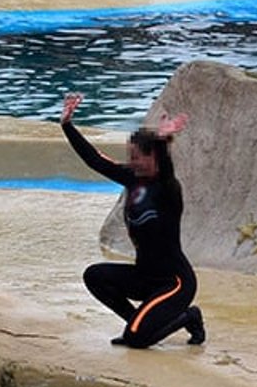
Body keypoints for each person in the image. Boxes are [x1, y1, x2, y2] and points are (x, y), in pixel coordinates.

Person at [60, 93, 204, 348]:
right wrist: (67, 126)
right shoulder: (133, 179)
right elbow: (95, 160)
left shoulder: (168, 189)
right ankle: (136, 325)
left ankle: (187, 317)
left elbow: (166, 168)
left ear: (154, 158)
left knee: (136, 340)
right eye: (131, 156)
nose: (132, 162)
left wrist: (161, 139)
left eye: (138, 156)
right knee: (95, 276)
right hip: (144, 276)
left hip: (175, 283)